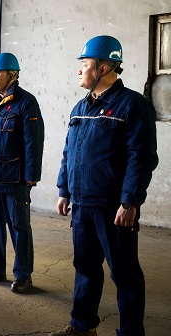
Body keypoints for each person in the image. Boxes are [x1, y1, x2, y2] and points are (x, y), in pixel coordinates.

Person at [50, 36, 158, 336]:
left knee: (124, 273)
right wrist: (64, 190)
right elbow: (69, 152)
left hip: (113, 206)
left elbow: (141, 157)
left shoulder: (132, 105)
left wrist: (130, 202)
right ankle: (82, 326)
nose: (79, 70)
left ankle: (130, 332)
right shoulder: (79, 107)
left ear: (103, 68)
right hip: (82, 203)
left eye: (84, 64)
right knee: (85, 267)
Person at [0, 53, 45, 294]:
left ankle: (23, 275)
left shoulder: (26, 103)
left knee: (19, 227)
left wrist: (31, 175)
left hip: (15, 179)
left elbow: (33, 141)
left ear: (12, 75)